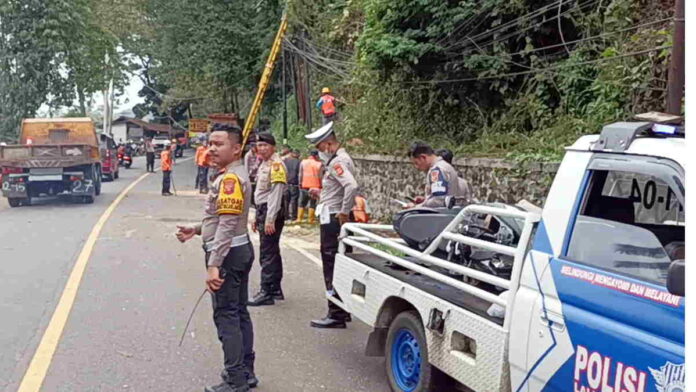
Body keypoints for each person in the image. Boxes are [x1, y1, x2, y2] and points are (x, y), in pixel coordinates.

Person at [175, 123, 257, 392]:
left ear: (236, 149)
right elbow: (219, 219)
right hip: (238, 249)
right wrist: (196, 229)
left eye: (219, 144)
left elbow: (226, 225)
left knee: (227, 316)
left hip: (228, 255)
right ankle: (246, 372)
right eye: (210, 143)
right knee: (239, 312)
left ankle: (235, 380)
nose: (211, 148)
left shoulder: (230, 179)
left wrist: (214, 266)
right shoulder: (232, 175)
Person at [305, 122, 357, 328]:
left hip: (334, 219)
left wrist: (344, 211)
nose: (319, 153)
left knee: (332, 263)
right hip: (333, 213)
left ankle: (336, 313)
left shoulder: (338, 162)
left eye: (319, 148)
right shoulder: (341, 160)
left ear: (328, 144)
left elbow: (351, 186)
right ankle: (340, 309)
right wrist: (322, 194)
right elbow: (340, 187)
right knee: (338, 261)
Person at [247, 132, 287, 307]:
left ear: (273, 147)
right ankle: (276, 289)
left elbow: (275, 195)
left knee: (267, 252)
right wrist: (257, 215)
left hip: (272, 211)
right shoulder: (263, 163)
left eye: (265, 145)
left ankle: (267, 292)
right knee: (272, 250)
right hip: (264, 209)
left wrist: (270, 219)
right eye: (259, 145)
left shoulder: (276, 165)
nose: (261, 148)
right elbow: (260, 194)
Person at [407, 141, 463, 208]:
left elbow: (439, 200)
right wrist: (426, 200)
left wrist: (416, 207)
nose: (416, 167)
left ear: (423, 157)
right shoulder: (444, 166)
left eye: (416, 163)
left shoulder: (436, 171)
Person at [296, 150, 323, 224]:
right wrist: (321, 186)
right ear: (316, 156)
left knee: (301, 202)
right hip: (315, 186)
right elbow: (321, 176)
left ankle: (299, 219)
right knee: (312, 203)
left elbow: (300, 174)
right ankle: (311, 220)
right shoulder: (319, 164)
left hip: (304, 185)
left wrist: (300, 183)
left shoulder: (303, 162)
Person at [283, 149, 301, 222]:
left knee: (286, 200)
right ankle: (293, 216)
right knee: (294, 200)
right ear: (297, 155)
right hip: (294, 183)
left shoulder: (285, 161)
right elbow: (299, 173)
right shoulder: (299, 162)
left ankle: (286, 215)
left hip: (286, 183)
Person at [243, 138, 260, 206]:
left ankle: (253, 202)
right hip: (249, 174)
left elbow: (258, 163)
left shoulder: (256, 154)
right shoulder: (248, 155)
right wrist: (247, 175)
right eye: (254, 147)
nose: (255, 149)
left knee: (255, 188)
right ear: (251, 148)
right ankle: (250, 202)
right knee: (250, 189)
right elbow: (246, 166)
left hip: (255, 174)